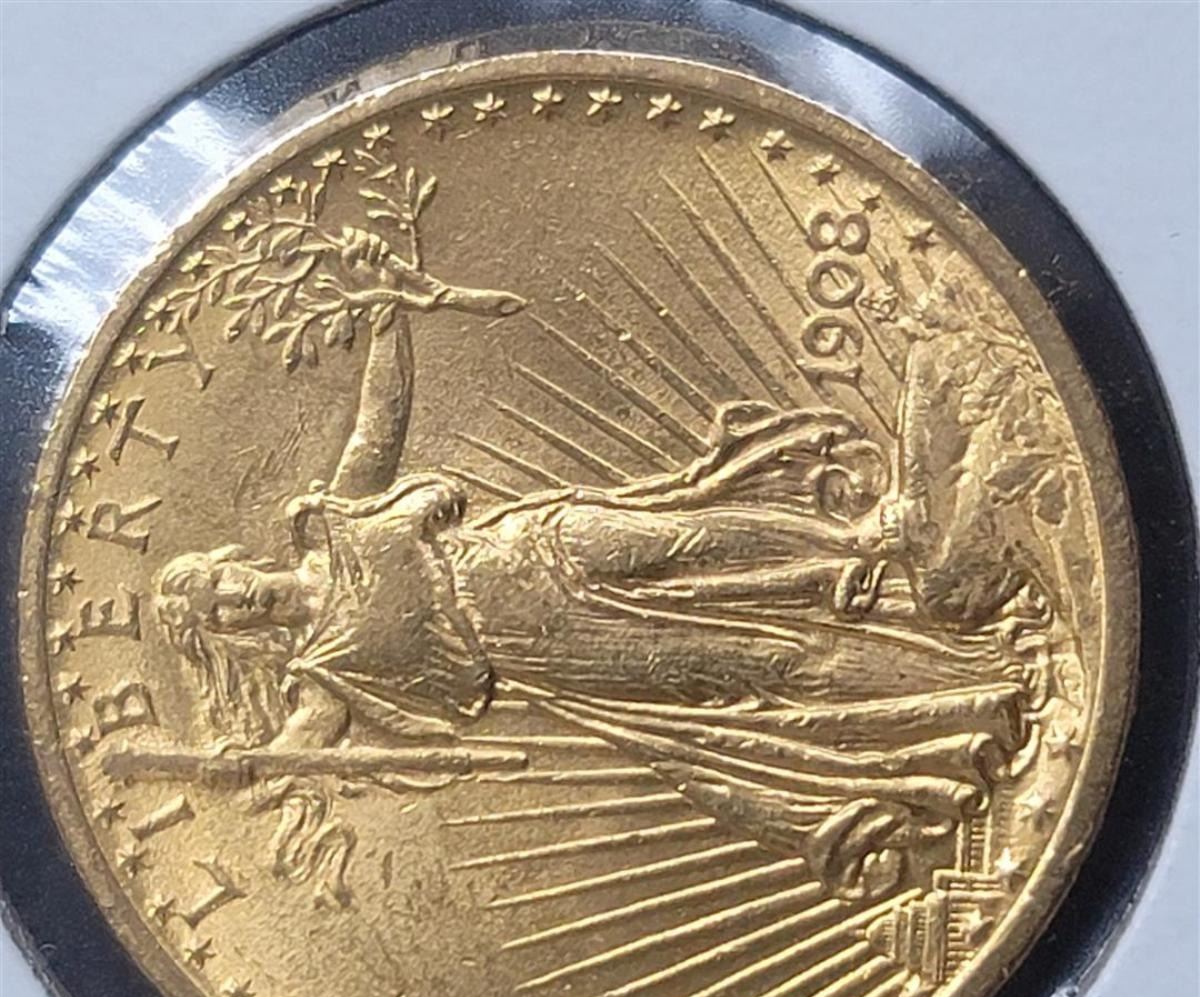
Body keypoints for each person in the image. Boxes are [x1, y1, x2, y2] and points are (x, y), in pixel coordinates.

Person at [156, 260, 1032, 904]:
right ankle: (969, 695)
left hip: (539, 541)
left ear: (233, 561)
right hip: (555, 647)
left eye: (220, 584)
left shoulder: (331, 518)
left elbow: (376, 422)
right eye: (220, 614)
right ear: (233, 637)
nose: (235, 600)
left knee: (702, 534)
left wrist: (388, 312)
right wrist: (246, 768)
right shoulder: (325, 673)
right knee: (761, 664)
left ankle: (868, 547)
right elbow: (303, 744)